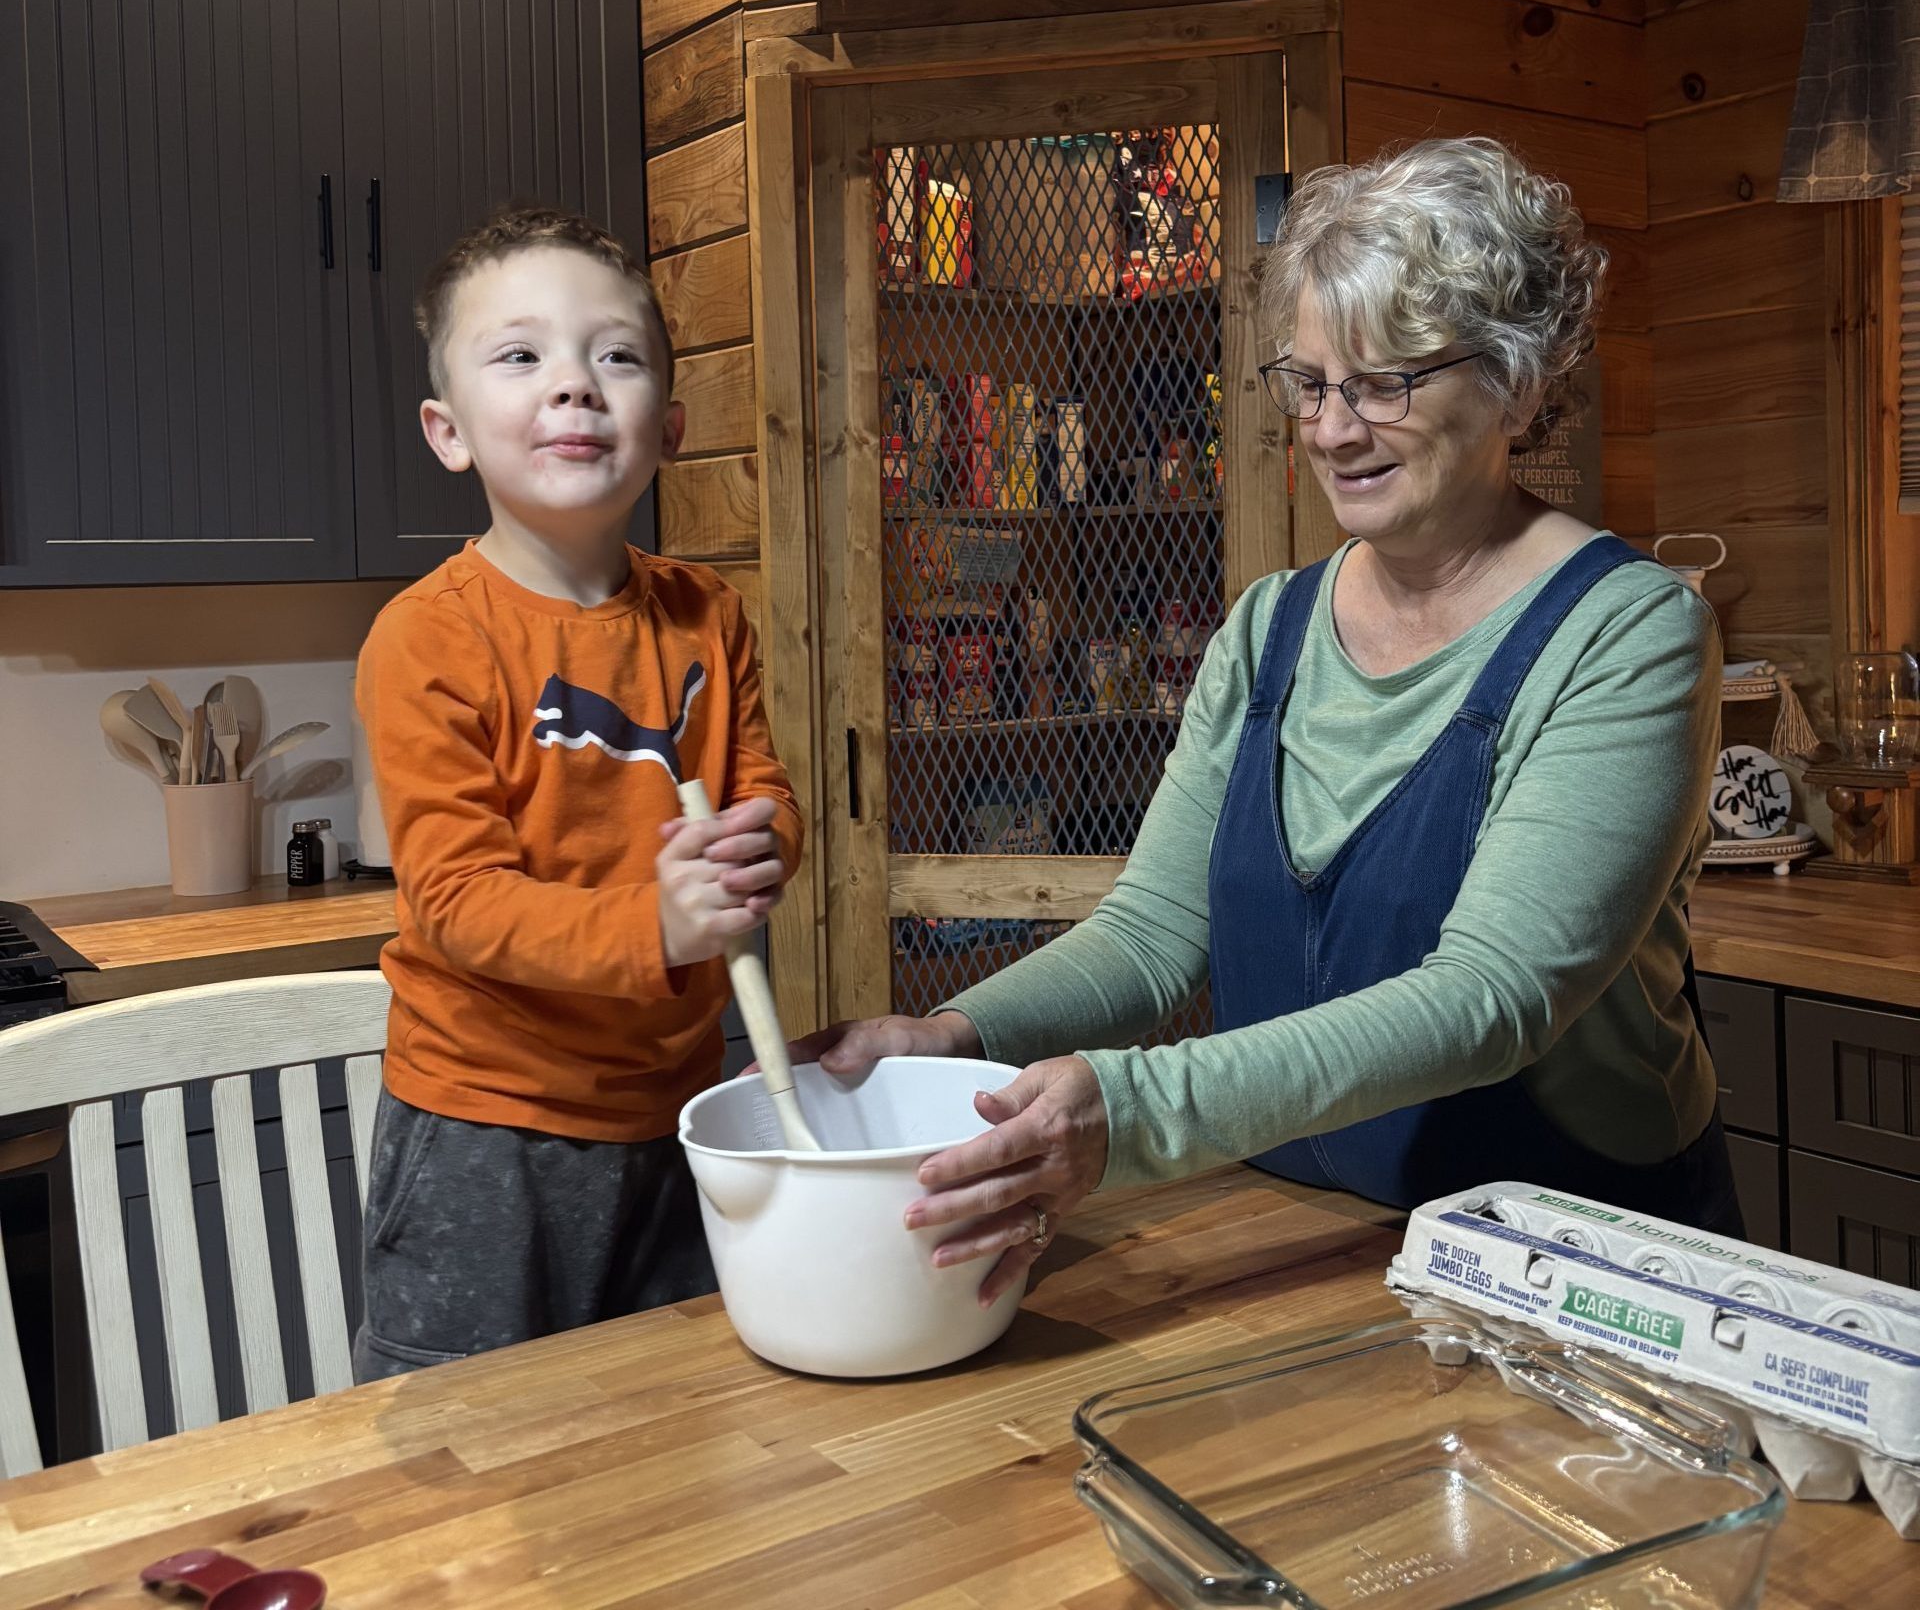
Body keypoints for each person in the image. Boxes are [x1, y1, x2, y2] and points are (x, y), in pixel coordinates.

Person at [798, 137, 1739, 1308]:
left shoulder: (1627, 632)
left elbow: (1492, 998)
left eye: (1385, 382)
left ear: (1520, 382)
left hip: (1572, 1254)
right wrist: (953, 1037)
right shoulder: (1268, 630)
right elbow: (1153, 936)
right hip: (1303, 1240)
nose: (1332, 430)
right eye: (1309, 383)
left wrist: (1134, 1107)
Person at [352, 205, 801, 1380]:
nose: (574, 384)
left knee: (673, 1420)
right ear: (449, 432)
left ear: (671, 426)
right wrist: (659, 926)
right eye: (520, 355)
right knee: (471, 1441)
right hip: (485, 1127)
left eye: (616, 356)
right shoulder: (427, 639)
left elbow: (760, 788)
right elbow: (458, 903)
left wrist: (761, 845)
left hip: (681, 1106)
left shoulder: (707, 614)